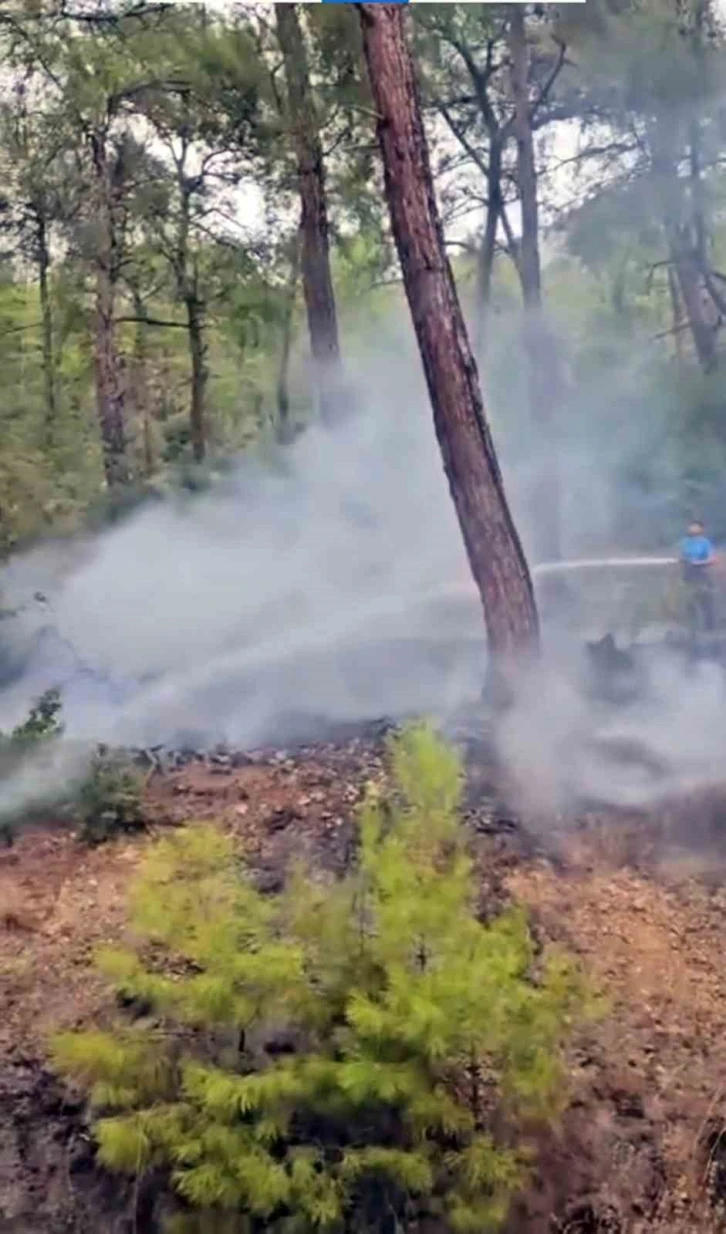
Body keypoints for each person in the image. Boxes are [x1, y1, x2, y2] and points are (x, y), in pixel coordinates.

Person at [680, 519, 716, 633]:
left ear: (701, 529)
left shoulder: (705, 543)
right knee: (689, 600)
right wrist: (683, 560)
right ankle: (692, 626)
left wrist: (698, 563)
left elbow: (712, 559)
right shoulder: (685, 542)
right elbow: (682, 556)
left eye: (695, 527)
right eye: (691, 527)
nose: (692, 529)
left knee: (705, 600)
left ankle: (709, 626)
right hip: (688, 574)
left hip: (701, 574)